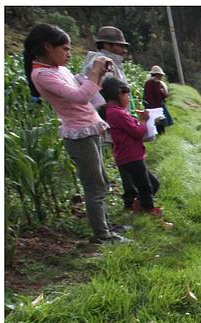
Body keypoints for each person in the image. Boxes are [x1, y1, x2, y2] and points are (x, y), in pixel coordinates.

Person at [25, 23, 130, 244]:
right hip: (78, 134)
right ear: (47, 47)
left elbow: (86, 91)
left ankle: (106, 226)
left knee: (101, 181)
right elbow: (80, 97)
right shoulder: (42, 74)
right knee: (95, 185)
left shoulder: (58, 69)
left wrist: (99, 75)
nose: (69, 54)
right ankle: (102, 235)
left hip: (89, 127)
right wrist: (93, 72)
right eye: (65, 49)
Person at [100, 77, 172, 228]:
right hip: (131, 157)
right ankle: (151, 217)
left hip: (131, 156)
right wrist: (145, 120)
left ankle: (139, 208)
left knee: (152, 184)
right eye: (127, 95)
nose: (128, 99)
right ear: (120, 94)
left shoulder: (115, 112)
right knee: (146, 187)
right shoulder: (117, 113)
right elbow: (137, 132)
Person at [81, 25, 139, 212]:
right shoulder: (98, 65)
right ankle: (132, 198)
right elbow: (97, 95)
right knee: (126, 159)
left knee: (127, 157)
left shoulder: (111, 63)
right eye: (119, 46)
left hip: (118, 119)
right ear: (106, 44)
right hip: (112, 121)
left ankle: (134, 195)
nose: (123, 50)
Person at [143, 65, 172, 134]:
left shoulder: (147, 82)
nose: (161, 77)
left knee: (153, 120)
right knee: (160, 120)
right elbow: (159, 93)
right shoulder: (156, 82)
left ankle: (156, 133)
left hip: (148, 105)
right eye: (161, 75)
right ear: (157, 75)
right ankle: (161, 134)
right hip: (156, 105)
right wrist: (165, 95)